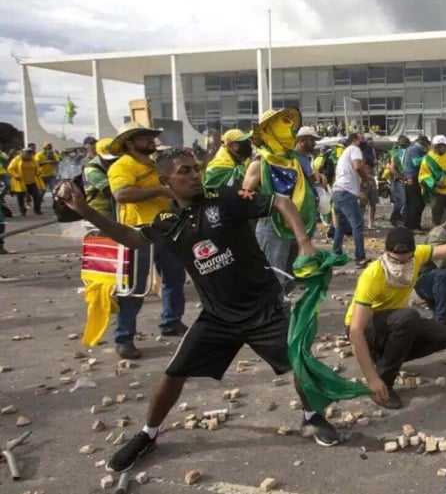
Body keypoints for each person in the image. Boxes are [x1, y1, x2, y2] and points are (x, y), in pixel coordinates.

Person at [56, 148, 342, 474]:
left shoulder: (226, 196)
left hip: (265, 307)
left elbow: (279, 201)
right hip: (218, 316)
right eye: (184, 171)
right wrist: (84, 210)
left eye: (195, 168)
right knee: (173, 373)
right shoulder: (167, 221)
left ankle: (312, 417)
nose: (194, 175)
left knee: (300, 362)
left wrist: (304, 240)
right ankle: (148, 434)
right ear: (166, 181)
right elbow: (131, 238)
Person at [346, 206, 446, 409]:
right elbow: (355, 330)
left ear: (414, 254)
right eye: (395, 260)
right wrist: (371, 379)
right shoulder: (372, 275)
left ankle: (385, 359)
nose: (401, 265)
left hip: (392, 324)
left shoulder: (419, 255)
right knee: (408, 317)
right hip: (367, 330)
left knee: (444, 335)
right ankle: (383, 384)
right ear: (386, 253)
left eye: (406, 260)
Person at [108, 122, 188, 358]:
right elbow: (121, 194)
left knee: (174, 277)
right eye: (144, 137)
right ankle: (124, 337)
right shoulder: (122, 166)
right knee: (134, 287)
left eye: (150, 136)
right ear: (130, 143)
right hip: (137, 232)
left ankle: (171, 322)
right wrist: (161, 192)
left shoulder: (152, 165)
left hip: (164, 228)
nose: (150, 140)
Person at [243, 108, 318, 293]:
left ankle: (280, 308)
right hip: (272, 225)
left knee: (292, 274)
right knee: (273, 277)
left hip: (296, 225)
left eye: (289, 125)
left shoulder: (293, 161)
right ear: (270, 132)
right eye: (282, 125)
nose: (289, 130)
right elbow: (244, 198)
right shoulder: (260, 163)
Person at [331, 132, 371, 266]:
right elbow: (358, 166)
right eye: (361, 138)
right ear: (355, 140)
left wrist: (356, 192)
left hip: (338, 192)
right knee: (357, 225)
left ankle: (336, 254)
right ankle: (360, 257)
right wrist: (366, 180)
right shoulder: (354, 149)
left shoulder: (344, 153)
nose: (364, 141)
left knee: (341, 226)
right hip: (345, 194)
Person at [419, 134, 446, 227]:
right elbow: (423, 177)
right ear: (438, 146)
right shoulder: (428, 159)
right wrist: (436, 184)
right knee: (437, 216)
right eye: (445, 146)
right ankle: (436, 234)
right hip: (438, 193)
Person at [82, 138, 120, 220]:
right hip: (100, 211)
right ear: (98, 155)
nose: (113, 161)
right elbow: (112, 191)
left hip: (115, 207)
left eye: (115, 158)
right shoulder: (92, 170)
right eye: (109, 160)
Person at [401, 135, 429, 231]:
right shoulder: (415, 149)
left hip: (411, 179)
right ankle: (413, 226)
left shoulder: (412, 149)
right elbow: (416, 162)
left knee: (412, 203)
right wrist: (427, 156)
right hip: (413, 179)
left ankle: (409, 225)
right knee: (416, 203)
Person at [8, 148, 44, 215]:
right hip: (21, 182)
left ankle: (37, 210)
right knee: (20, 198)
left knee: (37, 197)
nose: (29, 155)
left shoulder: (33, 159)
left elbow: (37, 167)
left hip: (32, 182)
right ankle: (23, 211)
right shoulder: (17, 159)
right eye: (28, 153)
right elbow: (10, 169)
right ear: (23, 153)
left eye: (31, 153)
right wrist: (16, 175)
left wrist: (38, 172)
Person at [387, 135, 410, 226]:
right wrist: (401, 177)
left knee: (401, 201)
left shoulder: (400, 152)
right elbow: (392, 168)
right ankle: (394, 218)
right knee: (401, 201)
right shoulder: (397, 153)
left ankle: (398, 218)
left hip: (399, 179)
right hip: (398, 180)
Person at [360, 136, 379, 228]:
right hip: (365, 177)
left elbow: (374, 163)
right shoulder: (362, 152)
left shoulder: (372, 151)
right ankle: (361, 222)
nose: (371, 144)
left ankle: (371, 222)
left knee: (373, 202)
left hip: (371, 176)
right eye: (370, 143)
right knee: (363, 202)